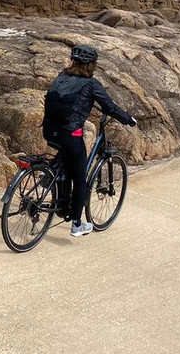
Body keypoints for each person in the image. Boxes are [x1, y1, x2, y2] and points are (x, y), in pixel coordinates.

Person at [42, 44, 138, 238]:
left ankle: (48, 177)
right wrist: (128, 119)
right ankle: (77, 224)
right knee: (80, 178)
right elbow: (110, 107)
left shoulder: (61, 77)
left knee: (67, 154)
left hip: (49, 130)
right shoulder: (91, 84)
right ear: (91, 64)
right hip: (69, 135)